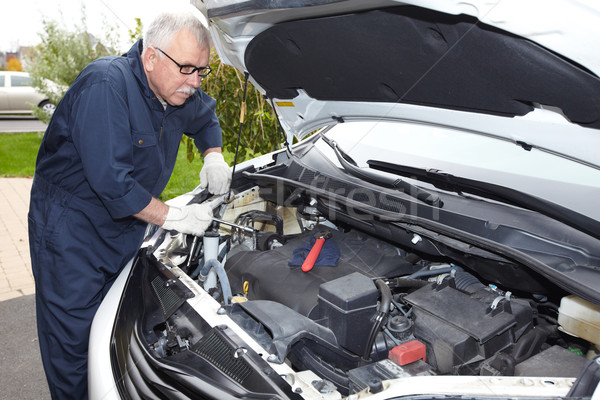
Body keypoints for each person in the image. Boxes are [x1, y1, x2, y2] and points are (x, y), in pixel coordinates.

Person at [27, 12, 230, 400]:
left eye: (202, 71)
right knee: (73, 345)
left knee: (115, 330)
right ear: (150, 57)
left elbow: (205, 118)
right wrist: (177, 216)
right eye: (187, 68)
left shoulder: (177, 91)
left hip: (126, 228)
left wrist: (213, 155)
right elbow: (112, 184)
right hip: (71, 232)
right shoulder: (107, 85)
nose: (194, 82)